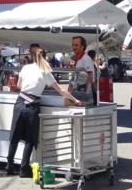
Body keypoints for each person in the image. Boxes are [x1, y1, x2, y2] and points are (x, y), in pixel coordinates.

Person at [5, 48, 84, 177]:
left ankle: (9, 166)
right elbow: (60, 89)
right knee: (30, 139)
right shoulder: (46, 72)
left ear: (33, 57)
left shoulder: (26, 68)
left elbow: (19, 85)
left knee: (14, 136)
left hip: (20, 103)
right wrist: (74, 100)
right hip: (32, 106)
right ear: (45, 57)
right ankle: (23, 170)